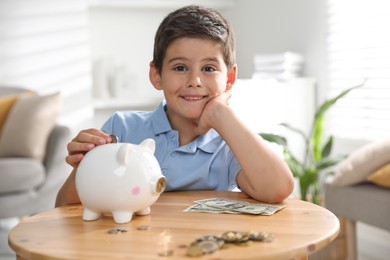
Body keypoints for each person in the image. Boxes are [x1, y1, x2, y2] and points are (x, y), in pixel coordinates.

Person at [55, 5, 294, 207]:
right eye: (180, 67)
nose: (195, 81)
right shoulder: (122, 129)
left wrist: (221, 113)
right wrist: (87, 165)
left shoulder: (229, 145)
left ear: (229, 79)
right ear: (157, 75)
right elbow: (66, 209)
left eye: (209, 69)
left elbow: (278, 189)